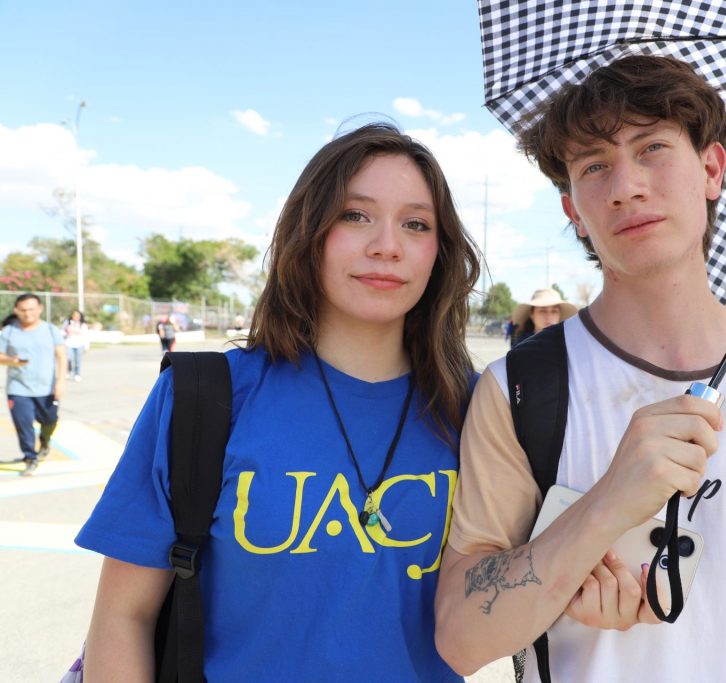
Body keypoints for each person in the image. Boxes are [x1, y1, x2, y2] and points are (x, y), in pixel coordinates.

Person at [435, 56, 726, 682]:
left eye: (652, 148)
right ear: (573, 210)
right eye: (594, 166)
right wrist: (605, 505)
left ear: (711, 169)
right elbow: (462, 639)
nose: (626, 186)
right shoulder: (519, 389)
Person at [75, 122, 481, 680]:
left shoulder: (478, 409)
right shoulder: (207, 396)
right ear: (308, 232)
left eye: (416, 223)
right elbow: (125, 616)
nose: (387, 245)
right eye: (355, 215)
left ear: (440, 252)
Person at [0, 293, 66, 476]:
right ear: (16, 310)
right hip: (18, 388)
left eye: (31, 309)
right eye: (23, 310)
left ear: (40, 309)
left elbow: (61, 356)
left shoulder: (50, 330)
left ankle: (44, 440)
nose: (27, 313)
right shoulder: (9, 331)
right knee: (23, 424)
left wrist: (60, 382)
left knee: (50, 421)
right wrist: (11, 361)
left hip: (47, 388)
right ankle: (30, 457)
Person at [509, 288, 577, 347]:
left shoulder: (569, 345)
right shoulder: (521, 346)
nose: (549, 316)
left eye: (554, 311)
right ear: (532, 314)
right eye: (542, 311)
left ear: (559, 315)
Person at [63, 310, 89, 381]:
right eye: (74, 315)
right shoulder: (67, 323)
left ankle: (77, 374)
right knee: (69, 359)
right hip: (69, 344)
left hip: (79, 345)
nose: (76, 317)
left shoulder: (83, 325)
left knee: (78, 361)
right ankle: (69, 371)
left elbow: (86, 336)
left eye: (77, 316)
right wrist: (66, 333)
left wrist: (86, 346)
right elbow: (62, 333)